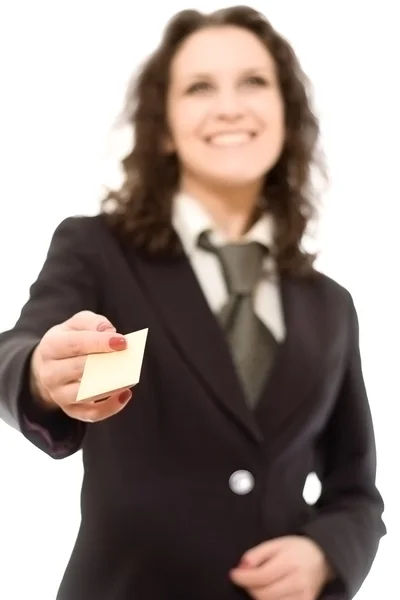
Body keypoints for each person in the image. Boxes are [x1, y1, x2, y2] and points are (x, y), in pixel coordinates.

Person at [0, 6, 385, 600]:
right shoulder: (97, 249)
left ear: (285, 113)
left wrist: (327, 553)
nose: (229, 105)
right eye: (200, 87)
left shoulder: (332, 306)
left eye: (253, 82)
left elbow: (356, 490)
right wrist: (40, 373)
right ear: (162, 128)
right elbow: (18, 350)